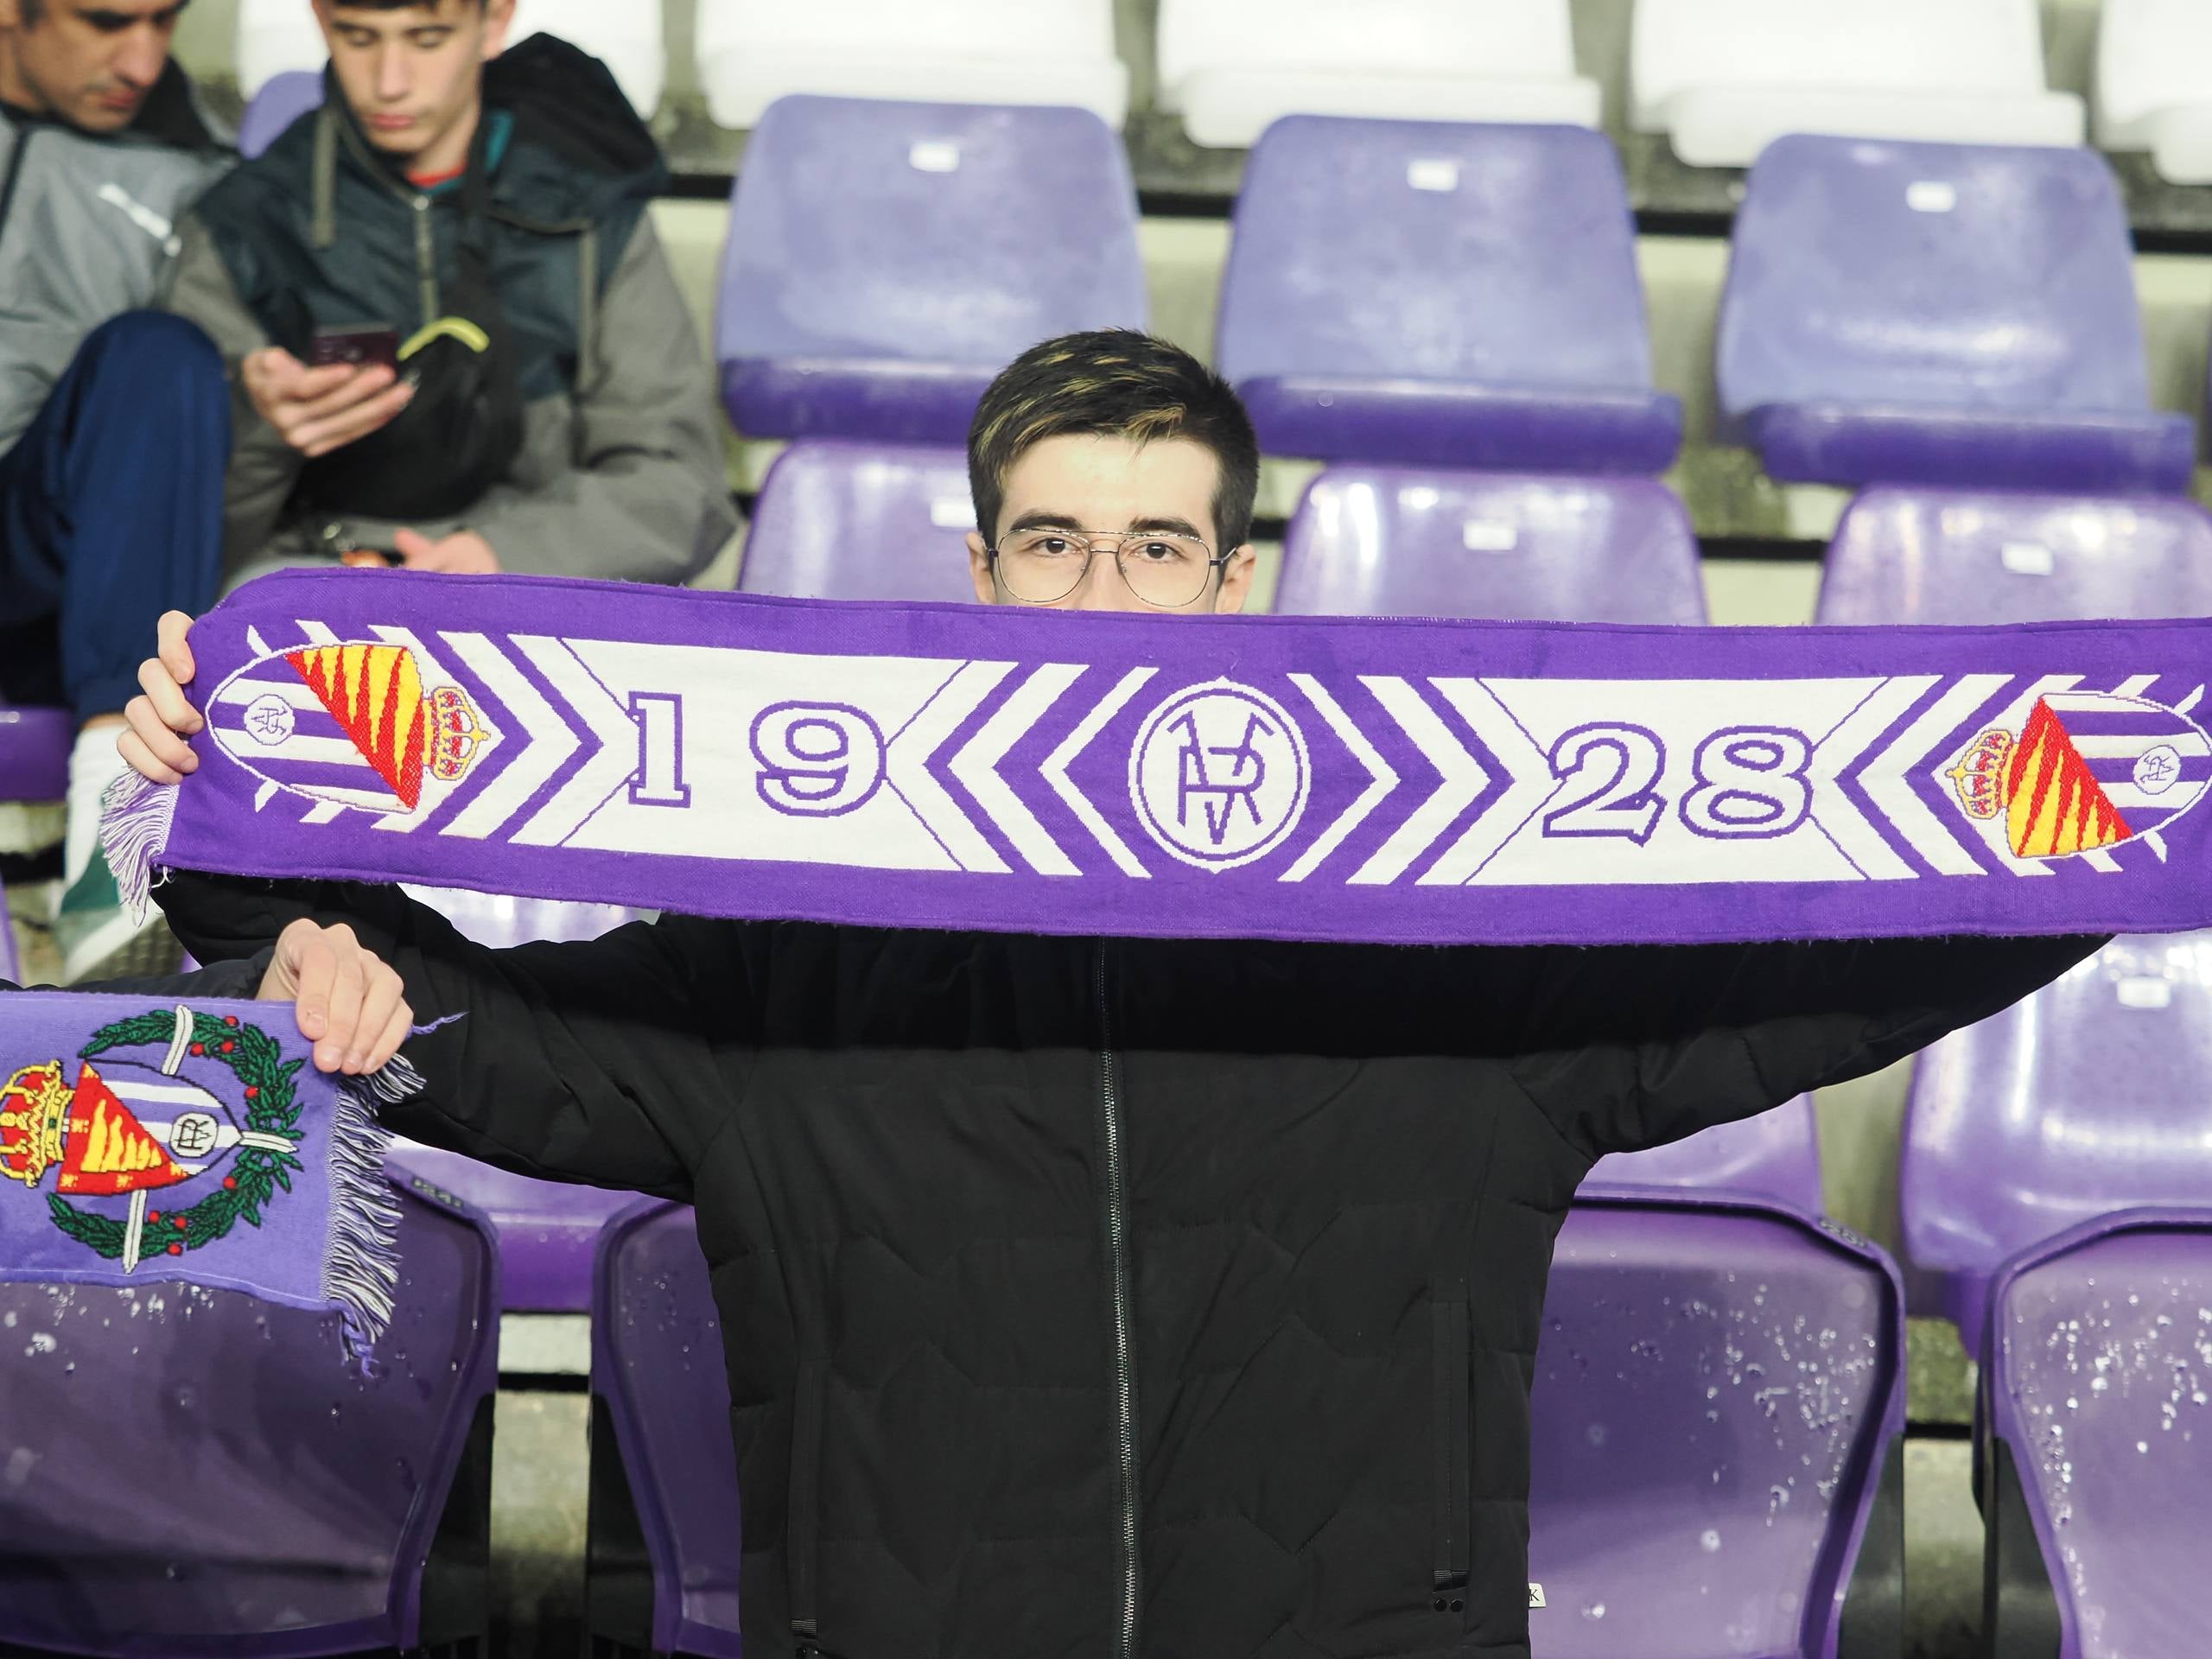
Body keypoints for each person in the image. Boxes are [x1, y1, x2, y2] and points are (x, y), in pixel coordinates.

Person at [121, 330, 2098, 1659]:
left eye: (1156, 547)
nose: (1101, 595)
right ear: (978, 580)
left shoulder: (1446, 945)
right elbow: (501, 1047)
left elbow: (1817, 970)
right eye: (1052, 543)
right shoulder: (801, 950)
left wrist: (2116, 830)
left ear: (1233, 593)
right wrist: (228, 826)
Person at [160, 0, 734, 586]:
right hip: (322, 577)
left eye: (427, 39)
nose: (390, 83)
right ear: (321, 19)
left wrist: (502, 554)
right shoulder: (241, 231)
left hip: (538, 580)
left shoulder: (591, 216)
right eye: (359, 38)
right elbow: (167, 543)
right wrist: (262, 433)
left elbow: (681, 486)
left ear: (495, 22)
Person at [0, 0, 234, 982]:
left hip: (47, 551)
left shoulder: (202, 178)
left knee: (162, 354)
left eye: (164, 21)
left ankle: (118, 827)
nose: (142, 60)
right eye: (106, 21)